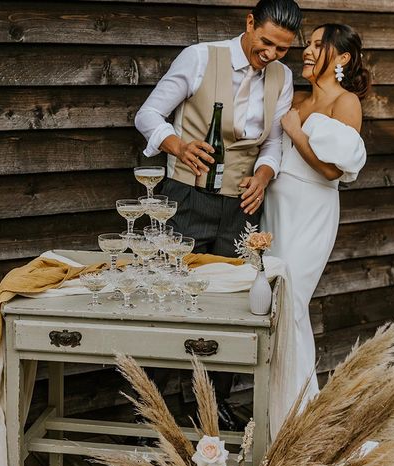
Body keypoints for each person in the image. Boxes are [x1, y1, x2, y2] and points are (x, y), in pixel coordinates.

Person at [135, 0, 303, 430]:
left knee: (233, 303)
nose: (271, 55)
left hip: (242, 207)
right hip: (186, 197)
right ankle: (152, 410)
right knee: (170, 296)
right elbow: (148, 115)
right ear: (249, 23)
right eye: (266, 42)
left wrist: (264, 177)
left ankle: (211, 405)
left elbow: (273, 144)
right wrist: (179, 147)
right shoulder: (199, 57)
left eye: (282, 49)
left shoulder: (282, 77)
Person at [262, 23, 369, 402]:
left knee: (291, 305)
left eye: (318, 44)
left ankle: (300, 414)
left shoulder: (346, 102)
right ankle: (277, 408)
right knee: (274, 306)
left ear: (342, 57)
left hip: (311, 213)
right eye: (308, 43)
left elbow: (331, 170)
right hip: (276, 210)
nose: (307, 50)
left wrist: (295, 131)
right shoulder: (298, 100)